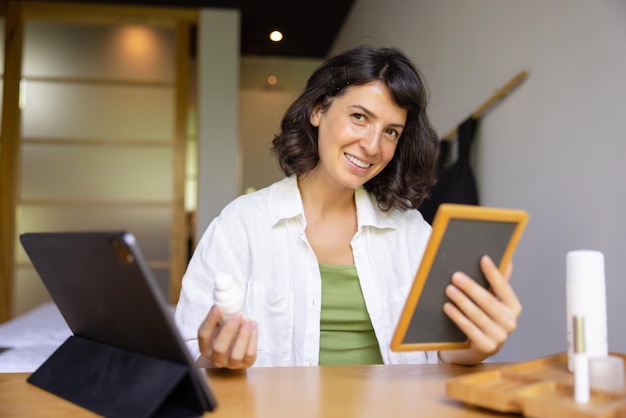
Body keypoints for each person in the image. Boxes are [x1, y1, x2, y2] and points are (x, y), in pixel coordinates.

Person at [174, 45, 521, 369]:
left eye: (391, 132)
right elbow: (190, 354)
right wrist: (217, 359)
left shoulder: (412, 233)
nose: (372, 145)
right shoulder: (242, 224)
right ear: (318, 110)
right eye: (359, 116)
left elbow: (444, 354)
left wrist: (477, 347)